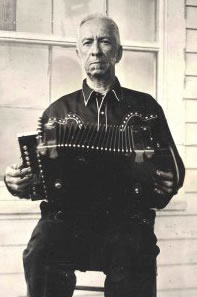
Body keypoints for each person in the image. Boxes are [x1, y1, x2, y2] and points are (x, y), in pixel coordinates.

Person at [4, 14, 185, 297]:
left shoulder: (146, 108)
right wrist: (15, 182)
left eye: (105, 42)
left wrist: (169, 183)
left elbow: (175, 171)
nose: (96, 50)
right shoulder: (57, 112)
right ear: (78, 53)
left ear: (119, 52)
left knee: (135, 254)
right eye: (87, 43)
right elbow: (37, 181)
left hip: (126, 223)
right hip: (69, 223)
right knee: (41, 250)